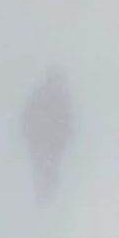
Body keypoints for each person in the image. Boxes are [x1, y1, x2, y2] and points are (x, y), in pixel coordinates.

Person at [20, 67, 73, 204]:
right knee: (49, 168)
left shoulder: (41, 94)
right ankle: (46, 195)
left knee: (45, 168)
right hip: (49, 141)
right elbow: (67, 120)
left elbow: (27, 116)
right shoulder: (60, 97)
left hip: (44, 140)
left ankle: (45, 195)